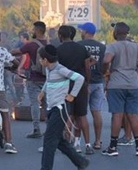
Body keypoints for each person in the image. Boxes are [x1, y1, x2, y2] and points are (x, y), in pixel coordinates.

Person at [102, 22, 138, 157]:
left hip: (117, 84)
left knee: (117, 115)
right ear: (127, 33)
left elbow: (106, 60)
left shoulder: (112, 46)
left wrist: (105, 72)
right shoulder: (135, 46)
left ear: (115, 33)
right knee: (133, 115)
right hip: (133, 83)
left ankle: (113, 147)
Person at [38, 44, 90, 170]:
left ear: (45, 60)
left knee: (49, 141)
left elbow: (79, 78)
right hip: (51, 107)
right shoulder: (49, 69)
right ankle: (81, 161)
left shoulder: (61, 69)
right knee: (59, 141)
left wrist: (72, 95)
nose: (39, 61)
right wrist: (43, 92)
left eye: (40, 59)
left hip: (60, 109)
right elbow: (48, 81)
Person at [56, 25, 92, 155]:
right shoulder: (81, 48)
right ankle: (87, 145)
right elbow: (87, 67)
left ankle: (68, 144)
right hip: (81, 84)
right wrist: (87, 82)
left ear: (60, 35)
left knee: (68, 115)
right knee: (82, 116)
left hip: (65, 86)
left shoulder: (58, 50)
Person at [10, 21, 48, 138]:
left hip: (34, 79)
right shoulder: (49, 43)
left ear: (37, 30)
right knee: (48, 105)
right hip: (48, 79)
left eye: (33, 29)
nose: (32, 31)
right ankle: (49, 129)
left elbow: (17, 52)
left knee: (35, 104)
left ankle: (36, 129)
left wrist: (6, 52)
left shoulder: (31, 45)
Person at [77, 22, 106, 150]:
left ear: (86, 32)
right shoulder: (102, 47)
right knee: (97, 112)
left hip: (83, 82)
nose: (80, 32)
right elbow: (106, 63)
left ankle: (78, 142)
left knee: (80, 113)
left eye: (81, 30)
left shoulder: (79, 45)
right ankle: (98, 141)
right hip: (98, 82)